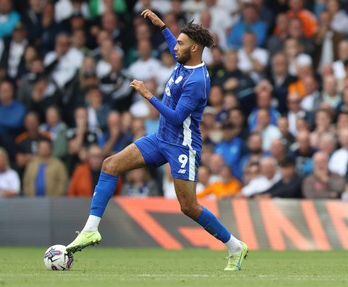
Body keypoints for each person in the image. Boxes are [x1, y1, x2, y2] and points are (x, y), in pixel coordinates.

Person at [66, 10, 248, 271]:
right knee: (110, 164)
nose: (176, 47)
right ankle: (90, 229)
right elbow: (174, 44)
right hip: (161, 138)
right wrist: (161, 25)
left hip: (182, 145)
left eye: (182, 44)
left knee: (189, 206)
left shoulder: (197, 81)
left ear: (194, 48)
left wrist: (147, 95)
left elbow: (175, 118)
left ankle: (235, 246)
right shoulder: (185, 59)